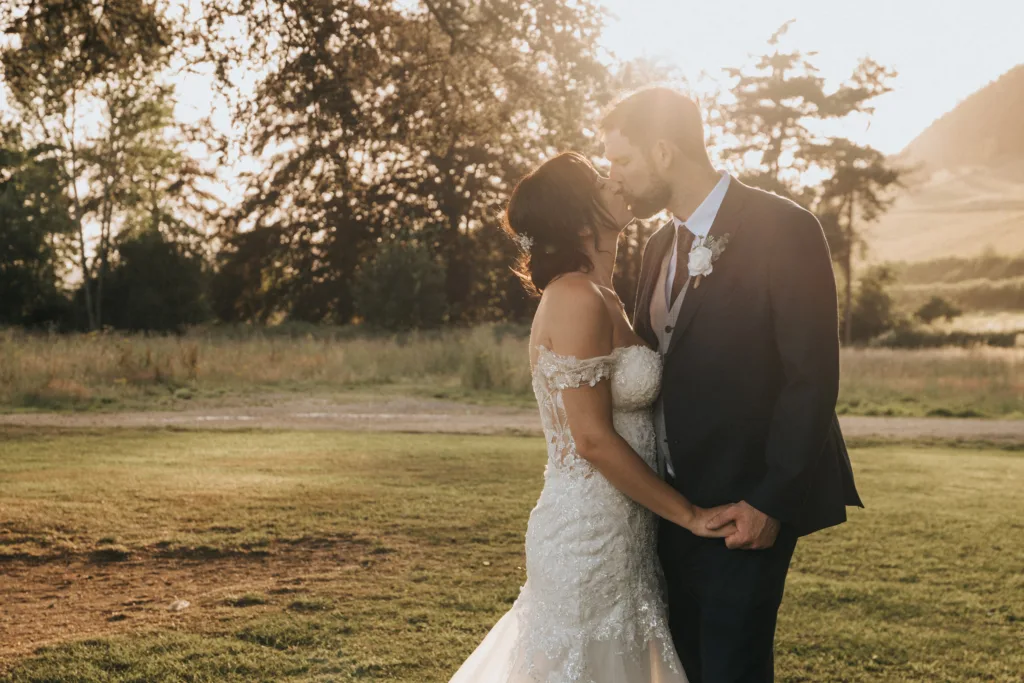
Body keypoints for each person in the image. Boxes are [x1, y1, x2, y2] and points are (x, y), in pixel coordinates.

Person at [601, 86, 863, 683]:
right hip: (670, 509)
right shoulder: (660, 244)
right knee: (683, 667)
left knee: (731, 668)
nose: (614, 178)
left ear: (664, 152)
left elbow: (812, 377)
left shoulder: (785, 228)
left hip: (746, 508)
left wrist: (770, 502)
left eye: (623, 160)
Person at [447, 151, 729, 683]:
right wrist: (689, 515)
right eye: (601, 181)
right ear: (579, 219)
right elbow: (593, 439)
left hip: (625, 528)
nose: (617, 179)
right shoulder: (575, 297)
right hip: (587, 534)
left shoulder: (608, 296)